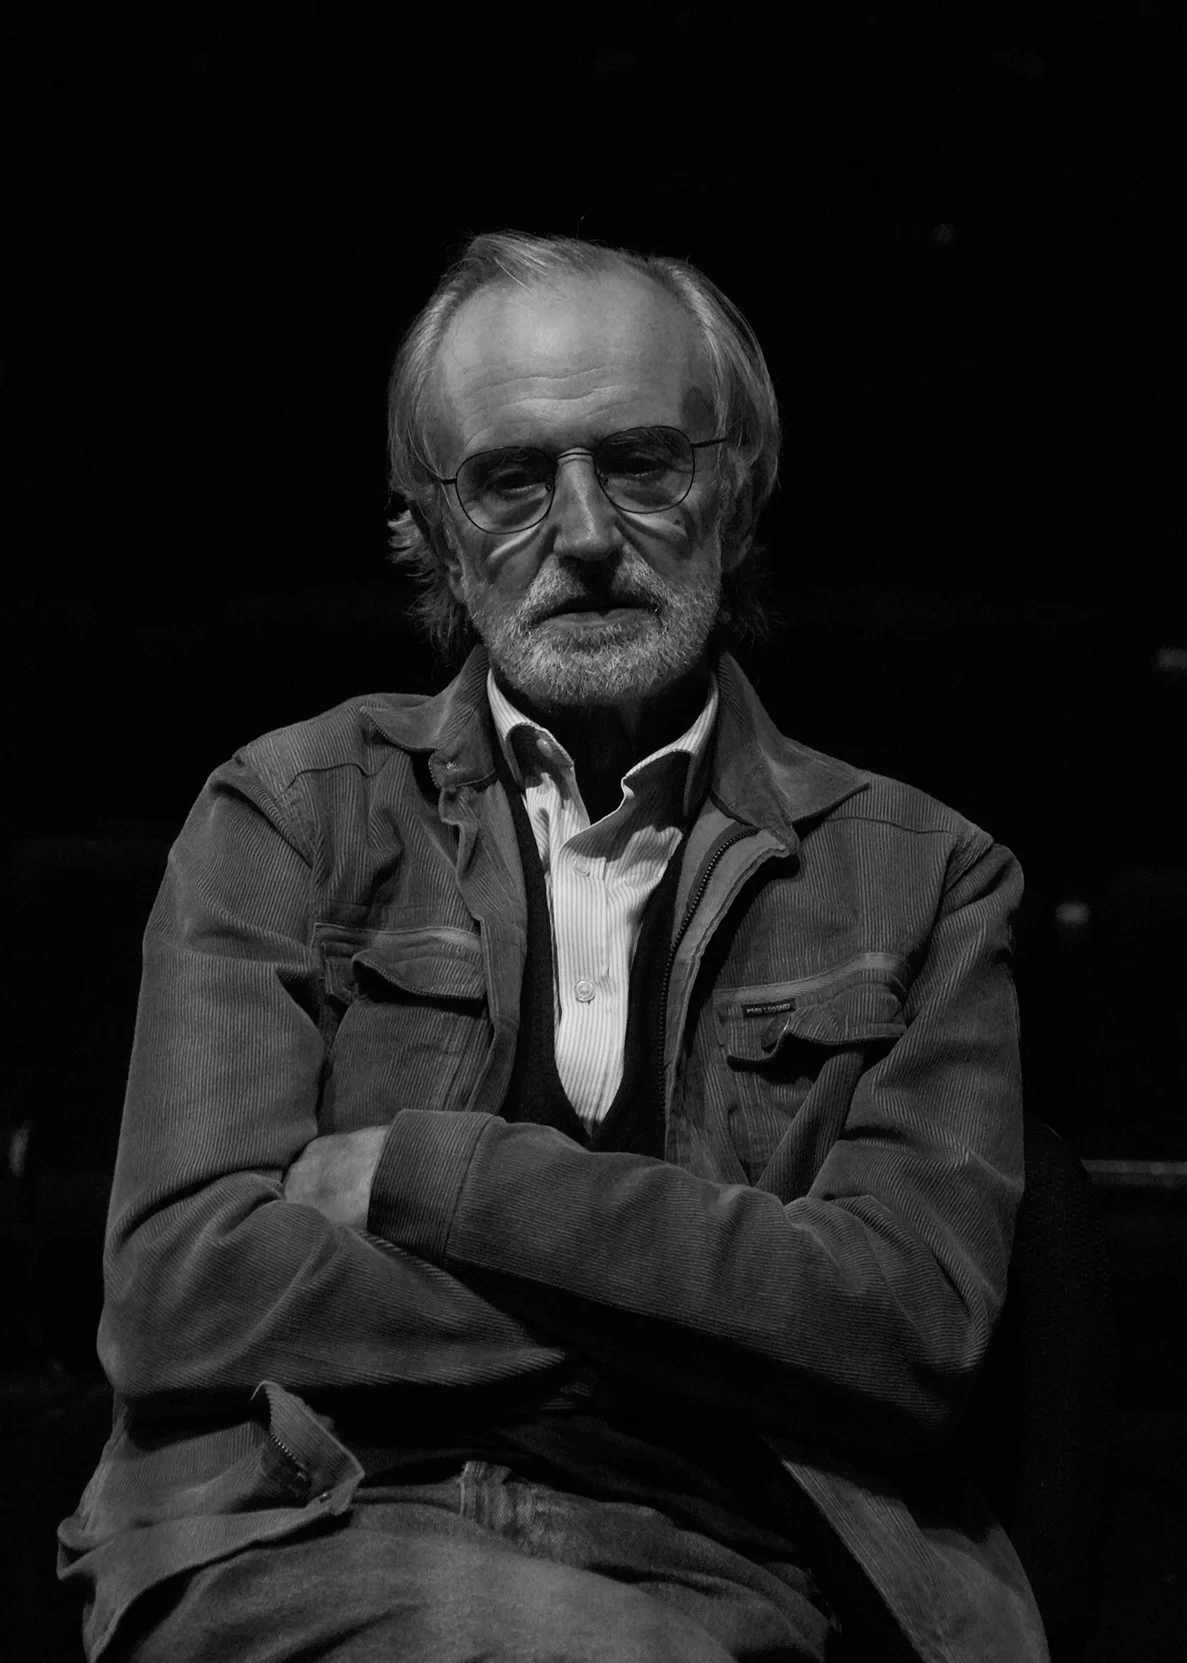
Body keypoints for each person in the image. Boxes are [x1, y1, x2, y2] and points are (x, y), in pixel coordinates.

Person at [59, 230, 1048, 1662]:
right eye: (512, 480)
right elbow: (183, 1294)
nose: (584, 533)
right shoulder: (290, 813)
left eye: (641, 462)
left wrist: (439, 1178)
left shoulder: (926, 876)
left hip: (729, 1561)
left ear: (737, 491)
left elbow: (903, 1330)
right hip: (312, 1524)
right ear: (432, 532)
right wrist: (701, 1314)